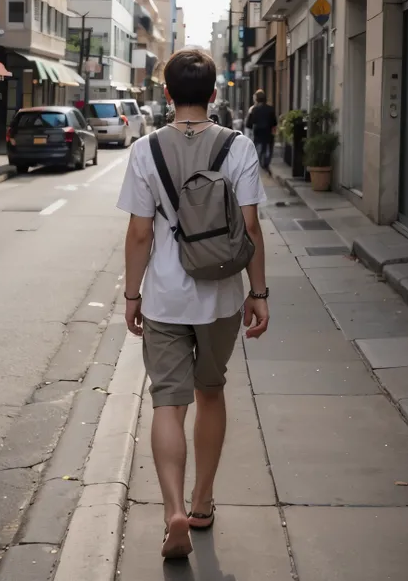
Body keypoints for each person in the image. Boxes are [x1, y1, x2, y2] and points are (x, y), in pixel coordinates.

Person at [117, 49, 269, 560]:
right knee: (210, 392)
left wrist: (132, 295)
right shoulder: (239, 146)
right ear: (213, 94)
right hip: (221, 298)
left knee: (167, 402)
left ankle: (172, 510)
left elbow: (139, 233)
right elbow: (250, 227)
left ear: (166, 94)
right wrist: (259, 293)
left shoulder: (144, 151)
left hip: (163, 297)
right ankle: (203, 503)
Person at [246, 90, 277, 173]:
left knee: (257, 148)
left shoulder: (254, 109)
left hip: (257, 132)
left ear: (256, 99)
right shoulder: (270, 109)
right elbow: (274, 122)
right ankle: (266, 163)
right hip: (268, 133)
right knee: (269, 148)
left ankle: (259, 162)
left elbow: (248, 124)